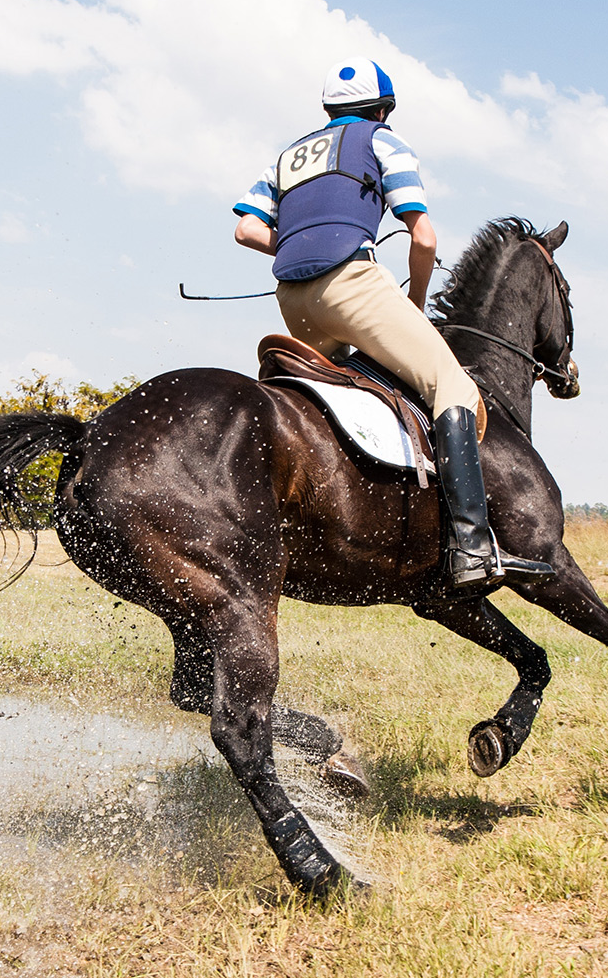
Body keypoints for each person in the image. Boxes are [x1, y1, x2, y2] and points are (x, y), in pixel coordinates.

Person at [233, 56, 553, 594]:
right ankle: (472, 545)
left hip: (293, 300)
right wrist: (419, 299)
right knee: (452, 384)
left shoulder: (288, 157)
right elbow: (423, 236)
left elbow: (246, 229)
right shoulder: (382, 141)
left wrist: (292, 243)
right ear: (383, 109)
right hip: (353, 287)